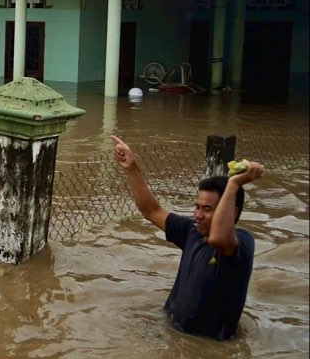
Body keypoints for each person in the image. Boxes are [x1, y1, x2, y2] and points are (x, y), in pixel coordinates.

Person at [111, 135, 262, 340]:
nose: (198, 215)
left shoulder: (242, 243)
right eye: (197, 207)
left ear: (232, 212)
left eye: (207, 210)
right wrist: (132, 168)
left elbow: (218, 239)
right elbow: (151, 210)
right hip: (173, 334)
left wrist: (234, 184)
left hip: (208, 350)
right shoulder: (192, 231)